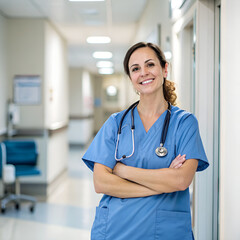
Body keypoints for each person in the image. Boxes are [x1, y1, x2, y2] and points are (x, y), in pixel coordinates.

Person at [82, 42, 209, 240]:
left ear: (164, 68)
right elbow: (101, 183)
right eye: (135, 69)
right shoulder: (115, 123)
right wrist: (162, 184)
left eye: (150, 64)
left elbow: (181, 180)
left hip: (166, 232)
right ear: (131, 78)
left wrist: (122, 170)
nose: (144, 73)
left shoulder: (184, 123)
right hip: (116, 229)